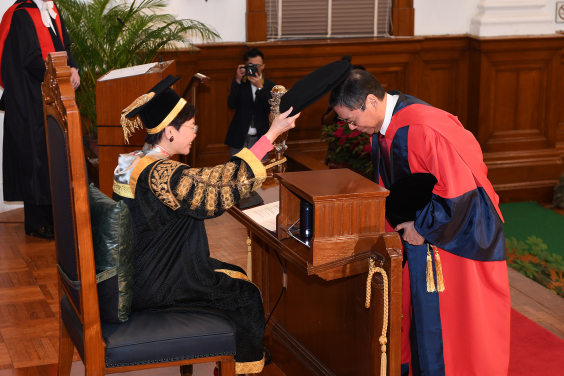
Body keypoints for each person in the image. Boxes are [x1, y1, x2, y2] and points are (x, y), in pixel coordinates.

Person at [113, 75, 299, 374]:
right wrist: (272, 134)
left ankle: (231, 358)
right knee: (246, 296)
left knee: (235, 273)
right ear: (169, 132)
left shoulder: (133, 161)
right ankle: (241, 367)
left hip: (138, 270)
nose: (196, 132)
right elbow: (213, 193)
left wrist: (270, 135)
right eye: (191, 127)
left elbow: (207, 178)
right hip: (158, 283)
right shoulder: (165, 175)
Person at [329, 70, 510, 376]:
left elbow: (459, 192)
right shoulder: (388, 126)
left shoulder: (424, 129)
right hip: (423, 237)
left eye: (351, 119)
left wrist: (421, 227)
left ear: (370, 101)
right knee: (416, 319)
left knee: (452, 329)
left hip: (457, 239)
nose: (352, 127)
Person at [0, 0, 80, 239]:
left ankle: (54, 216)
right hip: (29, 100)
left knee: (51, 156)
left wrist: (73, 68)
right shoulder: (21, 15)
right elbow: (31, 60)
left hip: (50, 95)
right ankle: (36, 223)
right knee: (35, 158)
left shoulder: (53, 12)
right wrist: (62, 73)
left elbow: (65, 47)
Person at [225, 48, 275, 156]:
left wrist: (260, 88)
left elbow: (269, 108)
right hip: (240, 136)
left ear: (263, 66)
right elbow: (231, 104)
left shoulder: (270, 85)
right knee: (236, 169)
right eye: (251, 65)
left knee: (260, 170)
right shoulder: (240, 83)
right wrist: (237, 80)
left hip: (260, 137)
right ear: (245, 66)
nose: (255, 68)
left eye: (258, 65)